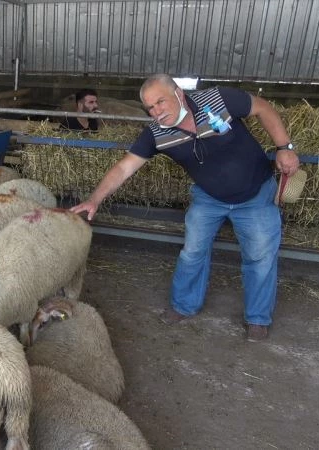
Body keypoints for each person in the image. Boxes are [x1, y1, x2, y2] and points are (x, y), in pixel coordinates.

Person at [70, 74, 300, 342]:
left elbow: (262, 107)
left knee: (260, 256)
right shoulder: (156, 133)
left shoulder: (218, 99)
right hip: (209, 197)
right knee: (192, 252)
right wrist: (94, 199)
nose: (156, 112)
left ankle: (258, 318)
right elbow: (124, 167)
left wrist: (285, 147)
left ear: (179, 94)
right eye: (150, 108)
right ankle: (183, 306)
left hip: (255, 194)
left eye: (160, 102)